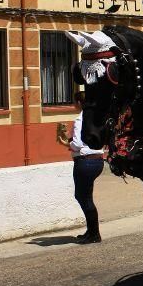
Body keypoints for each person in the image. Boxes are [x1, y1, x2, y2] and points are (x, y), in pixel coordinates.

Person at [57, 91, 105, 243]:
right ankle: (91, 231)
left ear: (78, 103)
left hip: (85, 162)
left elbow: (77, 144)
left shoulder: (80, 119)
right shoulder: (96, 117)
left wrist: (65, 143)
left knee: (83, 197)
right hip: (98, 160)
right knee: (86, 197)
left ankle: (94, 234)